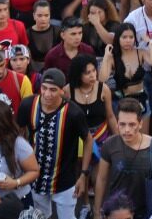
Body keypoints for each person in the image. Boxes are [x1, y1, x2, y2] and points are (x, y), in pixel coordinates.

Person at [15, 69, 91, 219]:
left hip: (65, 179)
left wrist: (83, 175)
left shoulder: (74, 113)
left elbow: (88, 140)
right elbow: (18, 133)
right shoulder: (28, 105)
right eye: (44, 88)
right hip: (35, 177)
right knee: (39, 216)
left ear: (62, 91)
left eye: (53, 90)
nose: (47, 94)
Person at [94, 98, 152, 219]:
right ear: (117, 123)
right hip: (118, 213)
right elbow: (102, 179)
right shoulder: (110, 145)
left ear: (140, 123)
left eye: (132, 124)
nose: (127, 130)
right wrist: (97, 211)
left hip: (147, 211)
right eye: (122, 124)